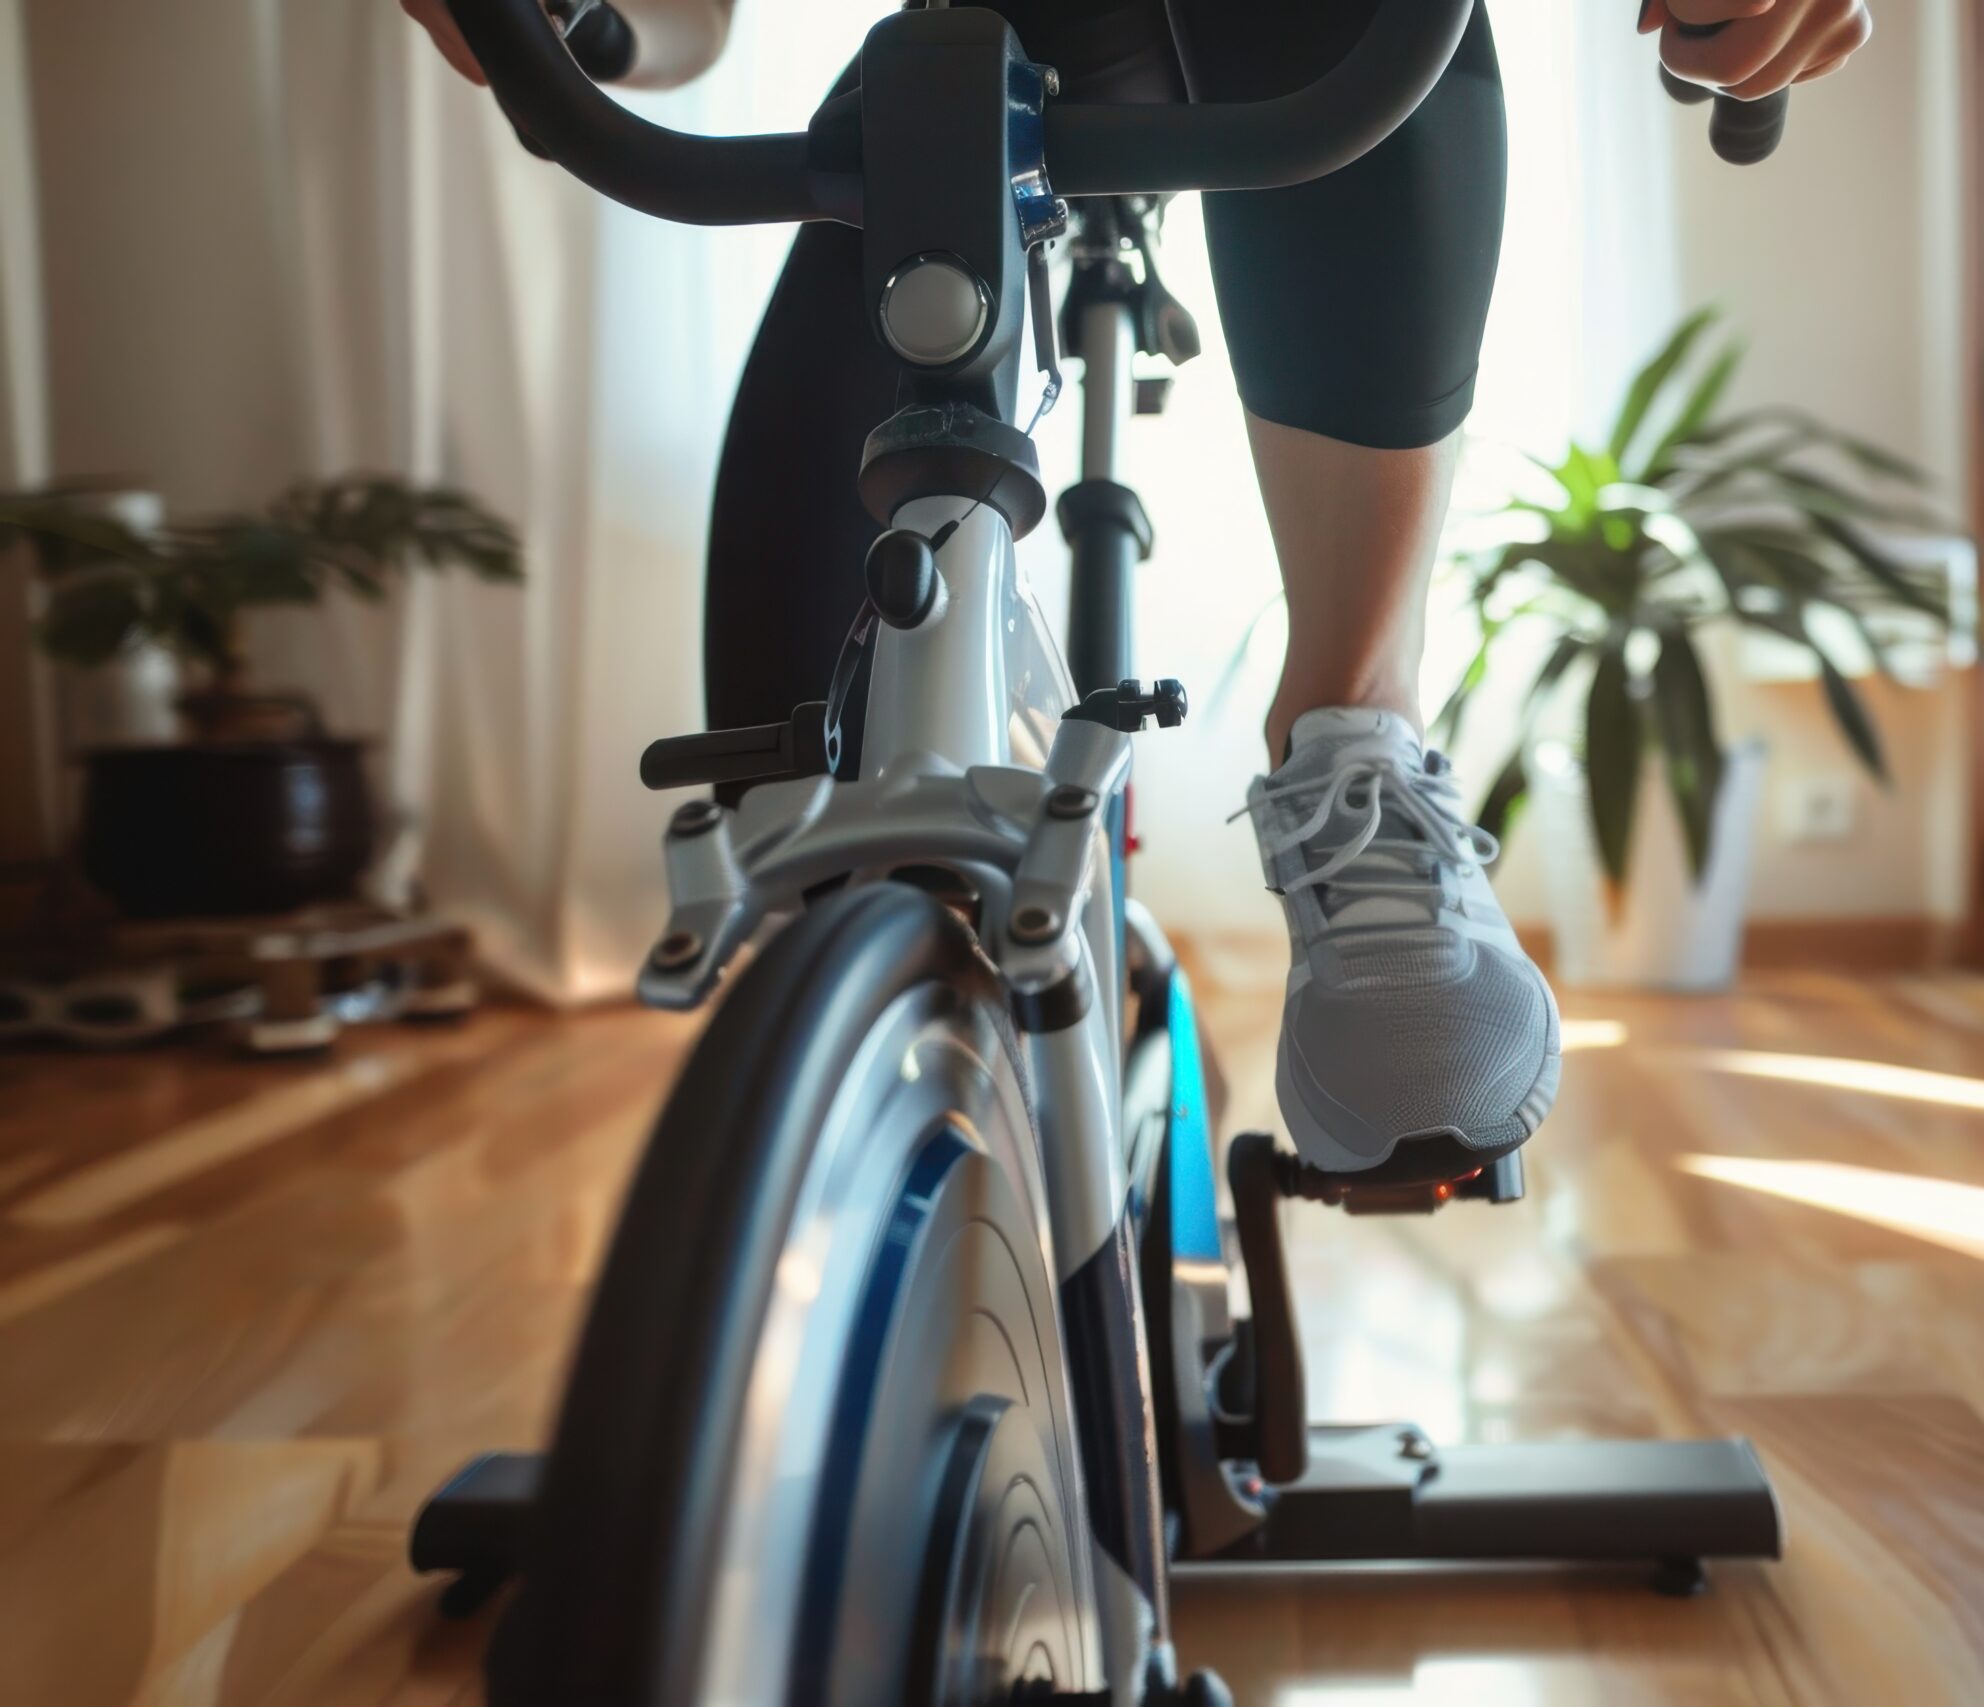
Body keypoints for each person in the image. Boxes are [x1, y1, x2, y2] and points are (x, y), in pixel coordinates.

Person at [400, 0, 1874, 1177]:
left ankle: (1352, 723)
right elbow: (681, 15)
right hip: (993, 42)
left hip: (1316, 49)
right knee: (802, 812)